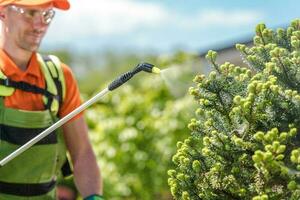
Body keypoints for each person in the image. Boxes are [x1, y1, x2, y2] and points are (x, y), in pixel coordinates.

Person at [0, 0, 103, 199]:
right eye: (30, 13)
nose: (40, 25)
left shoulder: (58, 77)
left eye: (47, 15)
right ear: (3, 12)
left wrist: (93, 196)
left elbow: (82, 153)